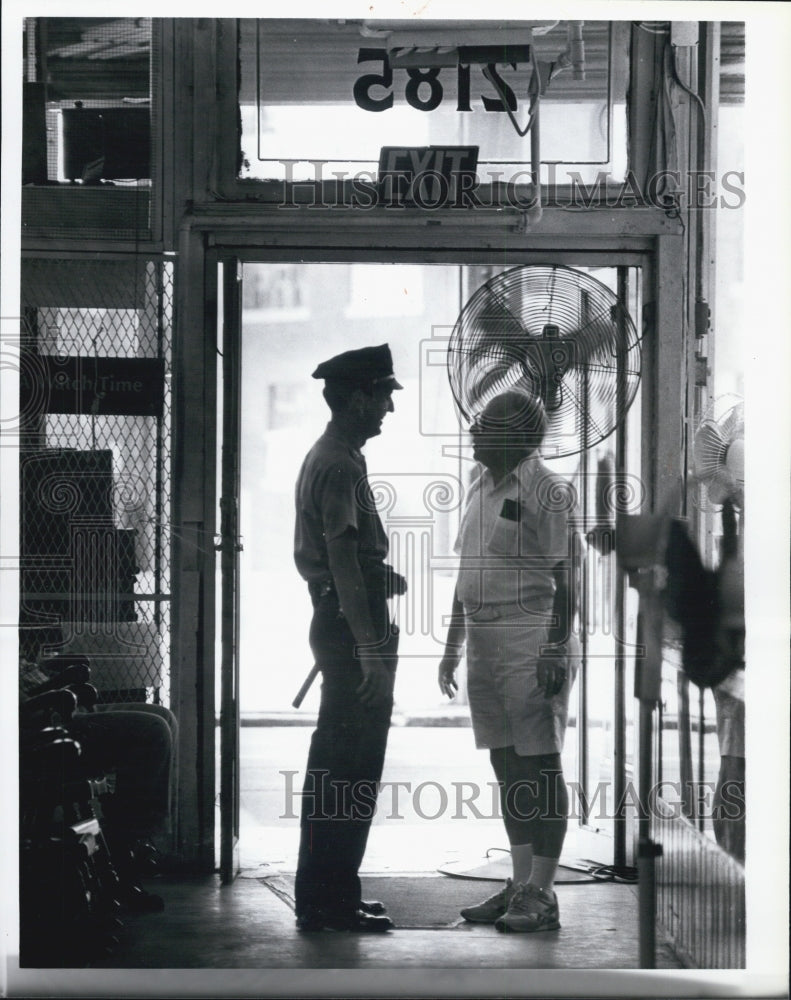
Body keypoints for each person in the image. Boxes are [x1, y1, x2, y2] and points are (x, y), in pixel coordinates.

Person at [438, 389, 578, 933]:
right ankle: (519, 883)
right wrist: (452, 644)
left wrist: (553, 647)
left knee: (538, 764)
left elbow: (569, 577)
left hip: (529, 635)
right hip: (482, 635)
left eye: (484, 424)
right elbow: (466, 572)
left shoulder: (549, 489)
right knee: (503, 761)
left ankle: (542, 893)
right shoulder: (479, 483)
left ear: (518, 436)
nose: (473, 430)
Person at [292, 343, 406, 932]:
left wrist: (379, 572)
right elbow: (338, 555)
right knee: (350, 767)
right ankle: (329, 901)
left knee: (338, 764)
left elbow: (345, 552)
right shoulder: (342, 462)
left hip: (340, 617)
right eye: (383, 393)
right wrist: (369, 653)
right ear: (358, 397)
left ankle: (328, 892)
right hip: (348, 627)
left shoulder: (335, 455)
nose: (388, 405)